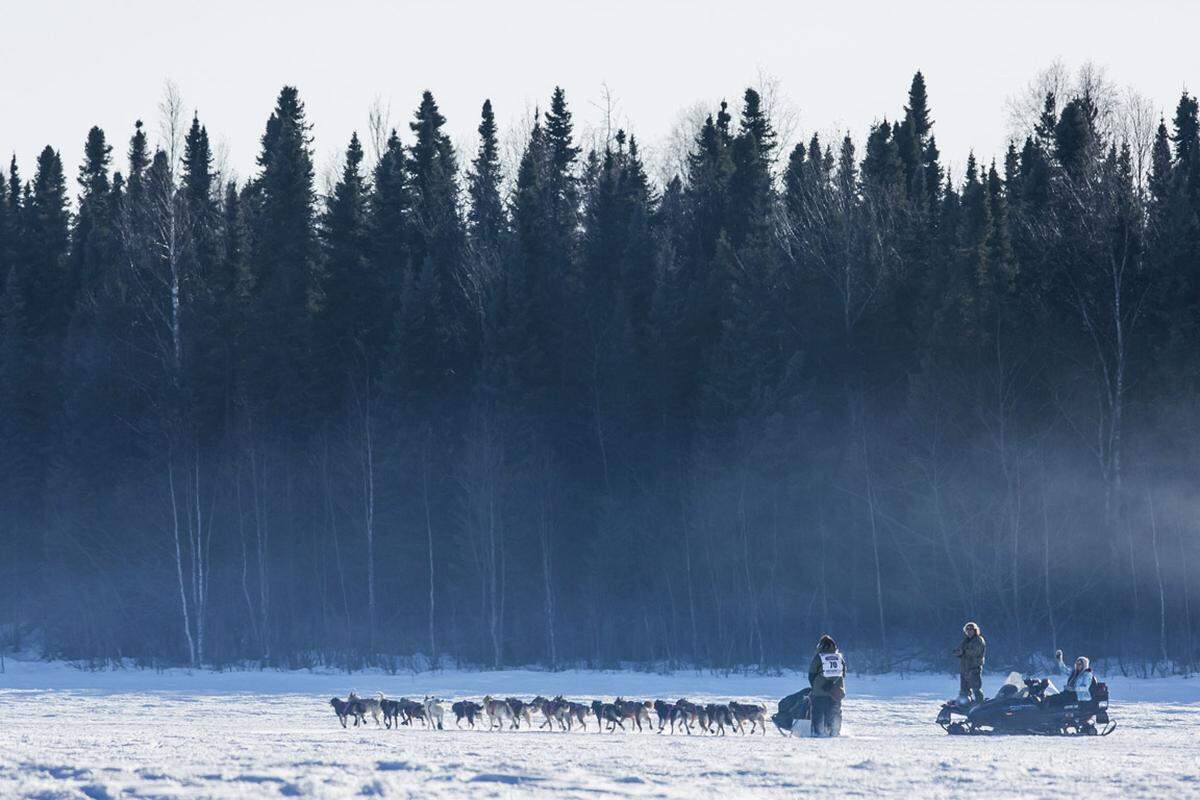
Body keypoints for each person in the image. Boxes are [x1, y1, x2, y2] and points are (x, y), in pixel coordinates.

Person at [808, 634, 846, 737]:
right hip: (836, 692)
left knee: (818, 713)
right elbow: (844, 673)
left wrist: (815, 687)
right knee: (834, 712)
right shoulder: (839, 658)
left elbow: (811, 674)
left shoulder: (818, 657)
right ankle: (834, 732)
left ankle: (817, 733)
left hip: (819, 692)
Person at [952, 622, 986, 704]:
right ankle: (965, 704)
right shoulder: (966, 641)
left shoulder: (978, 640)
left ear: (975, 630)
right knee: (964, 690)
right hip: (964, 669)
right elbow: (960, 651)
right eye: (967, 630)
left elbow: (974, 652)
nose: (969, 631)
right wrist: (957, 652)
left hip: (974, 668)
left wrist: (962, 652)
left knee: (976, 688)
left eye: (971, 629)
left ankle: (980, 704)